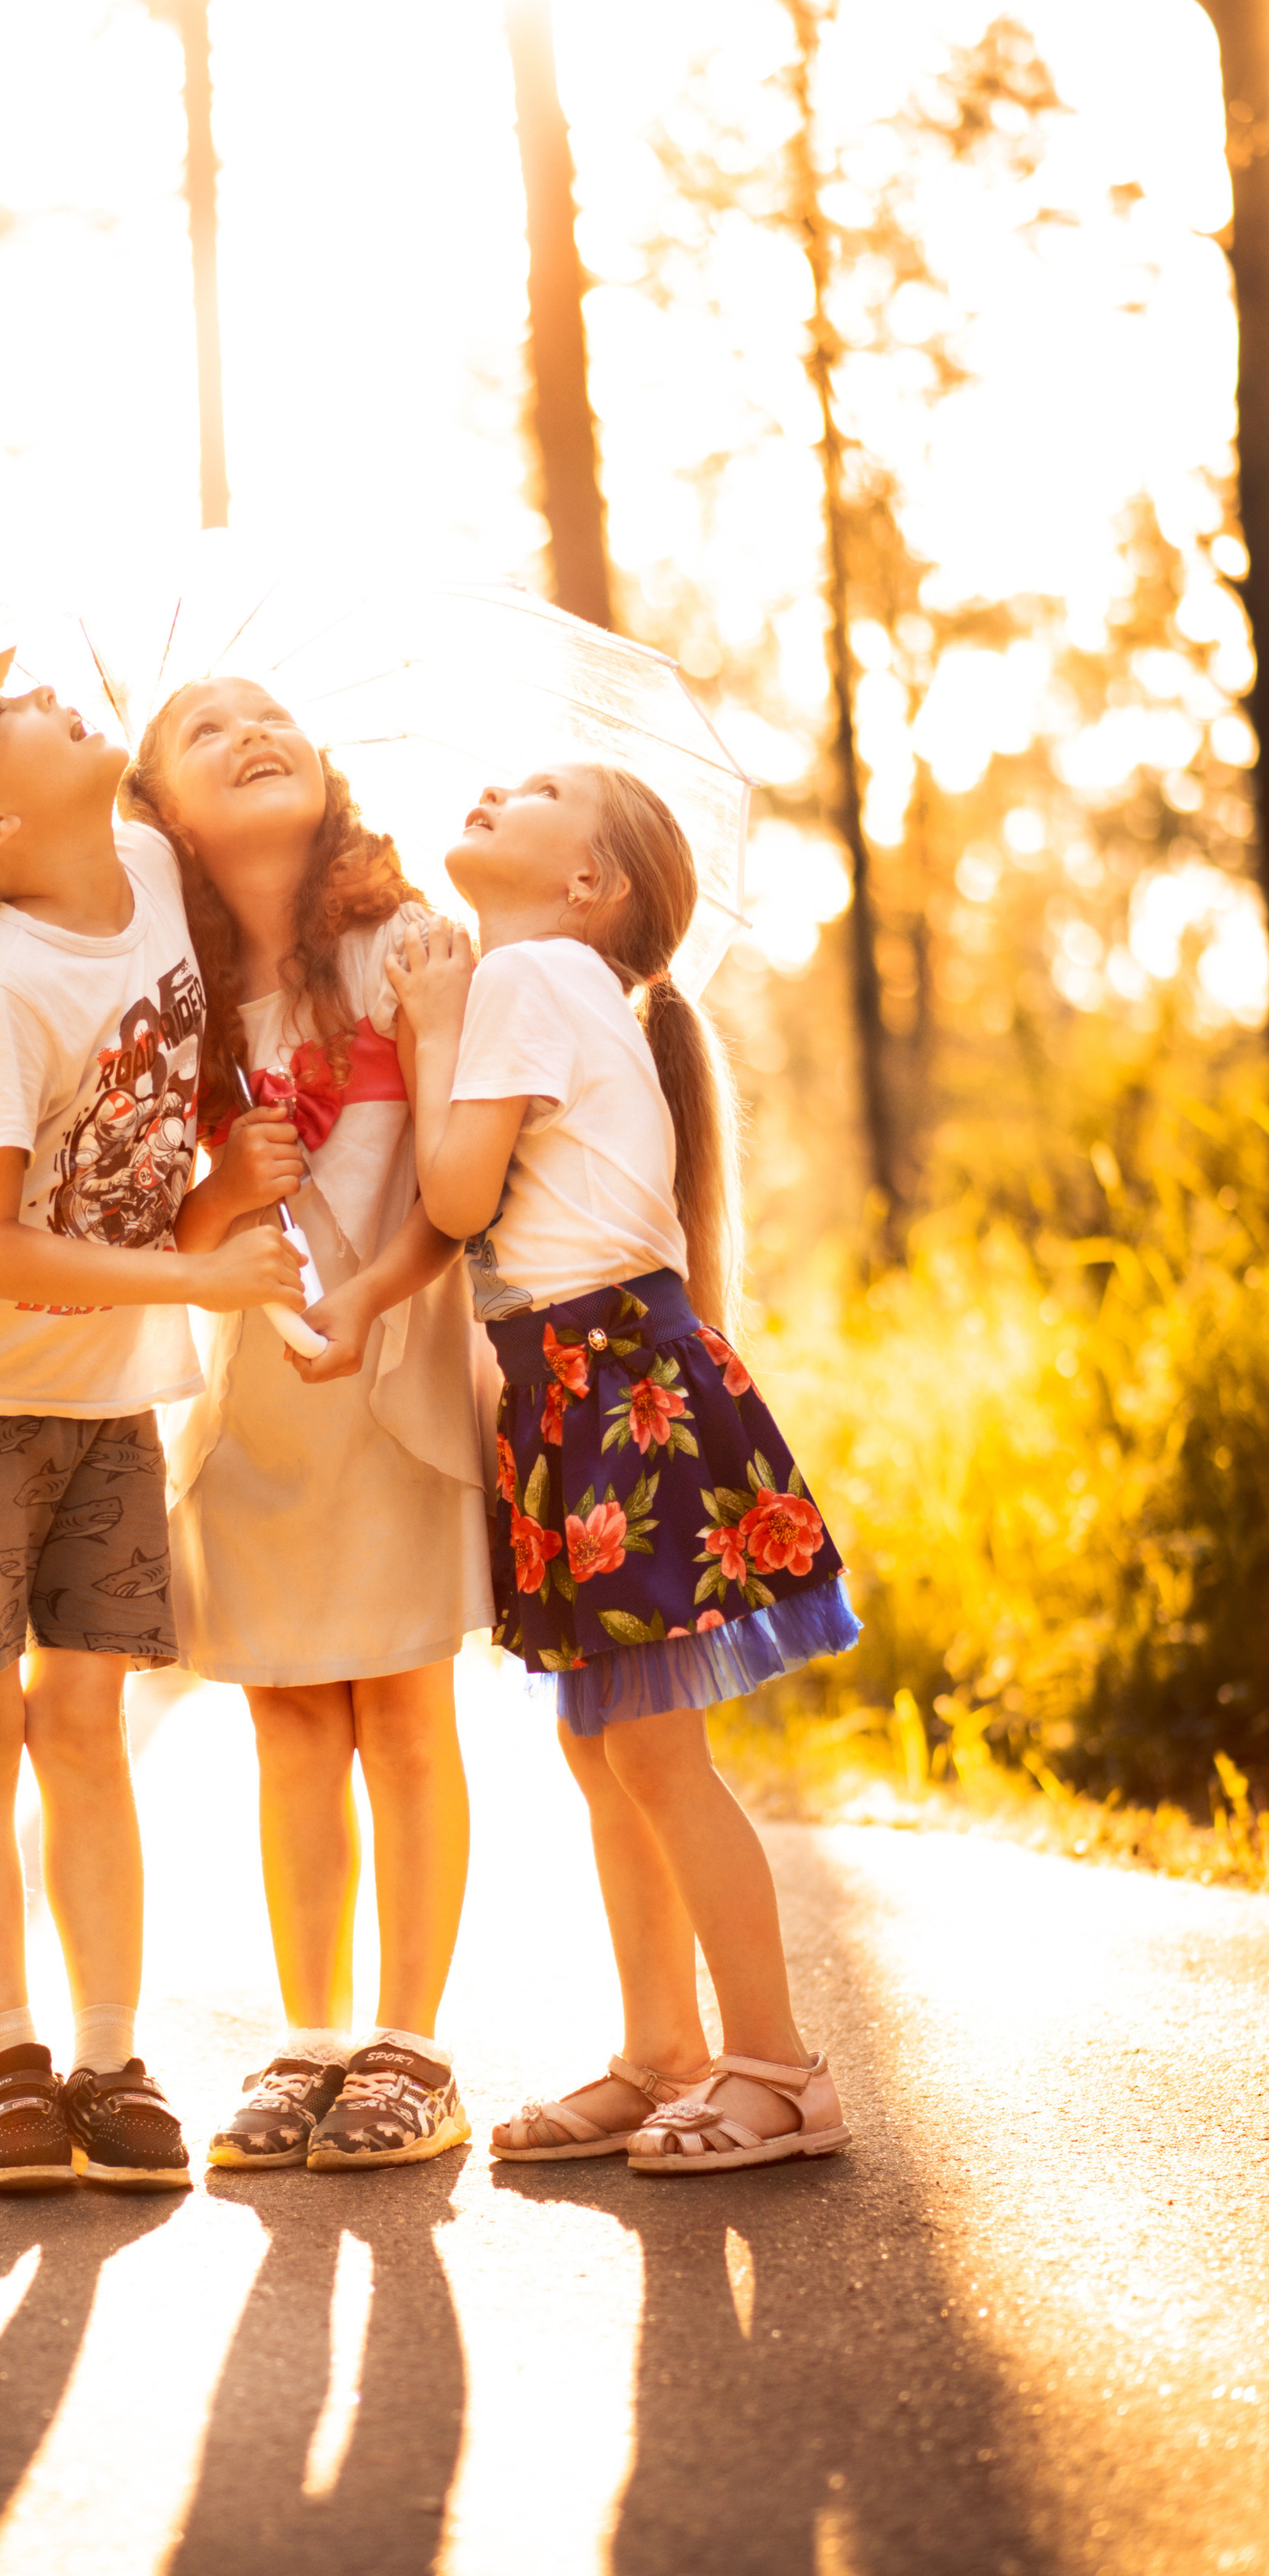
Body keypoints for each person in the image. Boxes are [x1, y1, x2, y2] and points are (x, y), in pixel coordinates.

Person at [0, 655, 306, 2196]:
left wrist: (222, 1190)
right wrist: (193, 1260)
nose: (49, 691)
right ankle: (6, 2065)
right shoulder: (0, 989)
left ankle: (112, 2059)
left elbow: (123, 1178)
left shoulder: (163, 869)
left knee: (90, 1727)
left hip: (108, 1392)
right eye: (14, 712)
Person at [390, 760, 860, 2175]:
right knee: (605, 1745)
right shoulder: (556, 983)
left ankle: (775, 2069)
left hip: (610, 1388)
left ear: (588, 885)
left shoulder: (530, 979)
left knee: (650, 1748)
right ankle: (665, 2051)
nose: (492, 788)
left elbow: (457, 1196)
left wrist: (427, 1029)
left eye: (529, 789)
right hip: (579, 1386)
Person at [124, 680, 492, 2175]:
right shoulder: (172, 1011)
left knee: (403, 1707)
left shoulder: (402, 950)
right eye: (204, 734)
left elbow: (463, 1187)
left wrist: (441, 1014)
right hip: (255, 1395)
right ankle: (313, 2033)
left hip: (391, 1373)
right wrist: (228, 1185)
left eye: (267, 714)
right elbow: (160, 1228)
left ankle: (410, 2042)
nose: (249, 732)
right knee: (288, 1717)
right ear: (161, 816)